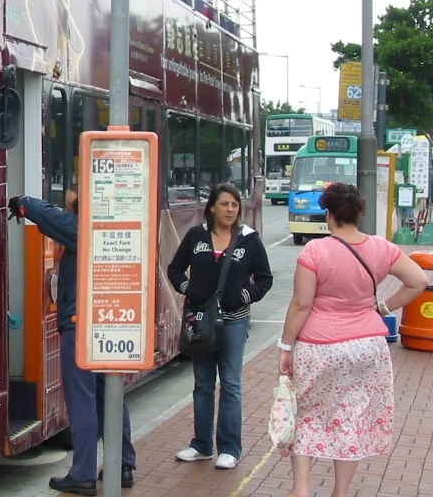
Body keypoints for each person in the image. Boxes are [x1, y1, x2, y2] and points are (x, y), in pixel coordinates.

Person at [277, 182, 427, 497]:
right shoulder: (382, 248)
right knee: (351, 415)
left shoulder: (315, 250)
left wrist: (285, 346)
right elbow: (419, 281)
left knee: (308, 411)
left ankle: (301, 488)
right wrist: (384, 306)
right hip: (368, 345)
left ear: (328, 214)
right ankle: (340, 492)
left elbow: (302, 304)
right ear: (359, 212)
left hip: (320, 345)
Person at [9, 189, 136, 494]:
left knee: (82, 400)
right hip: (104, 322)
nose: (68, 191)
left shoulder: (86, 226)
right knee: (109, 395)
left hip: (80, 325)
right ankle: (123, 464)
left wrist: (23, 204)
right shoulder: (112, 227)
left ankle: (83, 474)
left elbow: (51, 218)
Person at [167, 182, 273, 470]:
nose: (230, 209)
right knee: (202, 384)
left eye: (234, 205)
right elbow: (174, 269)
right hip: (200, 321)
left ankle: (229, 448)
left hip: (233, 323)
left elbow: (264, 279)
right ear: (211, 207)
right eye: (224, 204)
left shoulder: (249, 239)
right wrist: (187, 288)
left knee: (231, 383)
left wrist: (244, 296)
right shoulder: (196, 237)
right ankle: (201, 445)